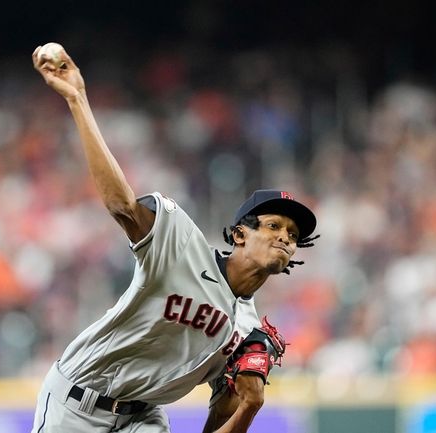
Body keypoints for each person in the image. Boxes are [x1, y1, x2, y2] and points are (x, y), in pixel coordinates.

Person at [30, 43, 319, 433]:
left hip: (143, 418)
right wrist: (78, 99)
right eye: (273, 225)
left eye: (293, 233)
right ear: (239, 234)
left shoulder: (247, 334)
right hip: (78, 400)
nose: (285, 237)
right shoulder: (181, 245)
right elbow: (122, 205)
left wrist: (250, 406)